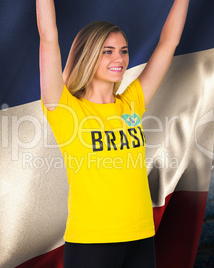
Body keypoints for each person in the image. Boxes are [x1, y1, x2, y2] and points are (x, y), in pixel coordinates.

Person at [36, 0, 189, 267]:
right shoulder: (65, 109)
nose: (119, 58)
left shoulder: (131, 104)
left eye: (123, 50)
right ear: (88, 55)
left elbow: (169, 41)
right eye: (107, 51)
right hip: (91, 242)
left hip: (141, 236)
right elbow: (48, 37)